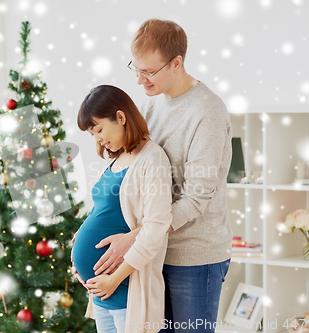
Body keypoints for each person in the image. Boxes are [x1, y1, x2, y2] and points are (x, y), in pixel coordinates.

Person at [89, 19, 234, 332]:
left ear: (176, 63)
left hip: (194, 256)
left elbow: (197, 196)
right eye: (135, 68)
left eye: (149, 71)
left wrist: (138, 236)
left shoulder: (206, 111)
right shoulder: (153, 107)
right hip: (155, 252)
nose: (141, 80)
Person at [71, 84, 173, 333]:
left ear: (120, 116)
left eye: (99, 130)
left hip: (124, 287)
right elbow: (105, 210)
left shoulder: (152, 157)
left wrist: (113, 279)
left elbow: (155, 228)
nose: (99, 139)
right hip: (101, 291)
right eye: (93, 135)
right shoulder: (117, 157)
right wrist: (78, 247)